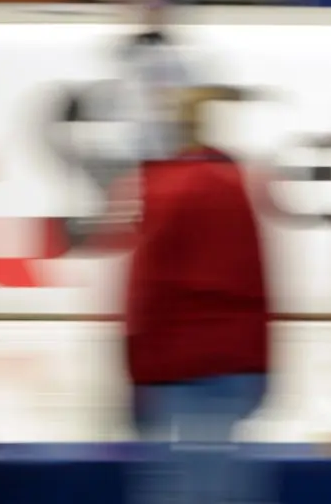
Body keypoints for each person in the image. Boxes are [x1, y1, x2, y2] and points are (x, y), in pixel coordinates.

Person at [125, 85, 269, 504]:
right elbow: (257, 278)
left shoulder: (160, 187)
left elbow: (145, 284)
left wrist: (135, 366)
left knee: (176, 483)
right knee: (226, 481)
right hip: (235, 360)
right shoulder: (237, 186)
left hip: (175, 361)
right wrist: (264, 362)